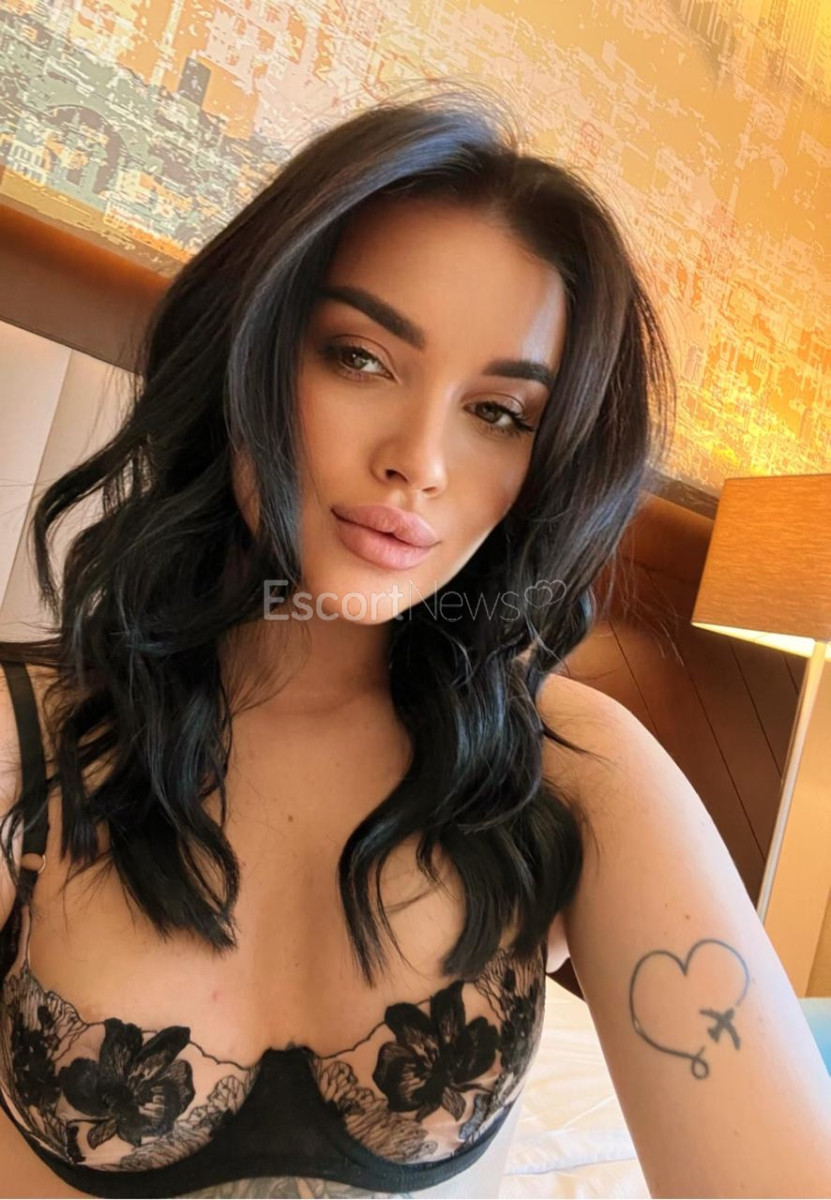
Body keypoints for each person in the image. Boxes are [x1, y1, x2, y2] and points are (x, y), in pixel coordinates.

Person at [1, 84, 829, 1200]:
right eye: (360, 357)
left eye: (498, 413)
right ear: (250, 355)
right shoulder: (29, 746)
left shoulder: (570, 776)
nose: (420, 462)